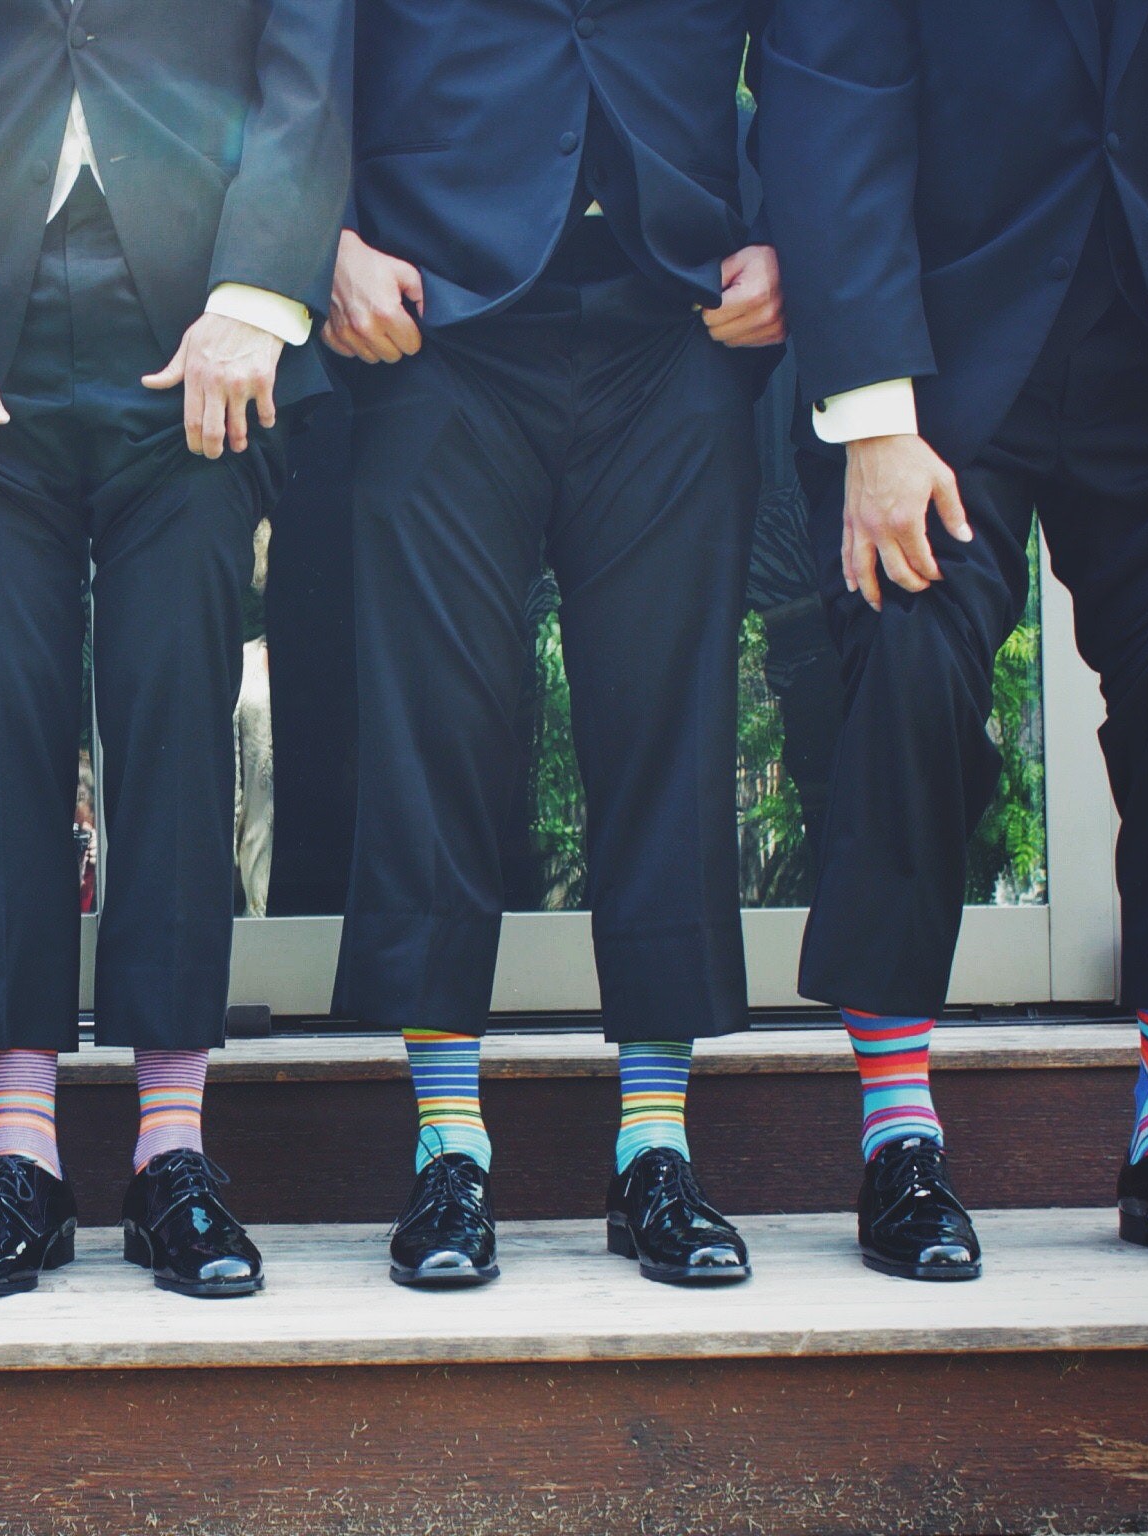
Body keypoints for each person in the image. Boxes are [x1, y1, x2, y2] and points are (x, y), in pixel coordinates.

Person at [0, 0, 350, 1299]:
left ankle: (169, 1153)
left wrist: (259, 292)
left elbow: (311, 49)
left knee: (177, 715)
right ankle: (17, 1156)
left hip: (202, 328)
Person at [758, 0, 1148, 1279]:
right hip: (938, 366)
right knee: (907, 659)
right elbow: (830, 92)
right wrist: (872, 419)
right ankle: (897, 1134)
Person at [328, 0, 784, 1288]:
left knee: (668, 725)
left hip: (679, 314)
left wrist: (796, 237)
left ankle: (654, 1148)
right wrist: (322, 240)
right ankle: (448, 1147)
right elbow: (297, 44)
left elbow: (820, 47)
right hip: (432, 315)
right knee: (435, 727)